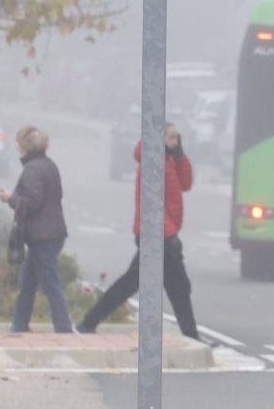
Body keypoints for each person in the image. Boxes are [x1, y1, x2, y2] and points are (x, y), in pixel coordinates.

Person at [79, 123, 198, 340]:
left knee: (172, 286)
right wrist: (169, 235)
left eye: (176, 138)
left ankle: (89, 322)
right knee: (170, 286)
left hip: (163, 235)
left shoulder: (169, 160)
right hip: (155, 236)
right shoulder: (151, 164)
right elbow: (152, 206)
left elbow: (186, 184)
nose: (175, 142)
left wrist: (180, 156)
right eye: (171, 138)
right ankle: (89, 322)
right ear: (159, 140)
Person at [0, 126, 72, 334]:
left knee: (51, 284)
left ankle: (64, 328)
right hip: (52, 233)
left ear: (25, 148)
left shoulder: (32, 169)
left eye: (18, 146)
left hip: (42, 236)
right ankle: (19, 325)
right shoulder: (49, 165)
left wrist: (10, 198)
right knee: (28, 281)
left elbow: (33, 202)